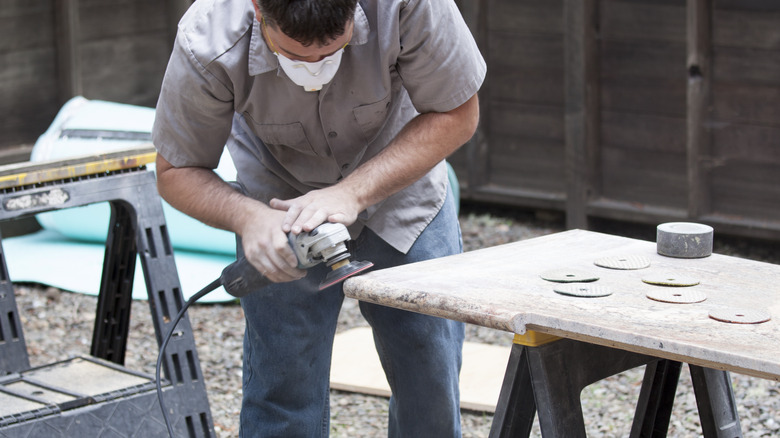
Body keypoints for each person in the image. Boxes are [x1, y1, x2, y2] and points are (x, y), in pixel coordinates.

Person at [151, 0, 485, 436]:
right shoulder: (207, 38)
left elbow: (459, 112)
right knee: (282, 390)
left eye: (335, 49)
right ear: (257, 9)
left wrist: (353, 192)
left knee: (430, 377)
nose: (316, 67)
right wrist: (248, 218)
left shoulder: (408, 5)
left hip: (402, 196)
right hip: (279, 213)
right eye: (293, 55)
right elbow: (175, 170)